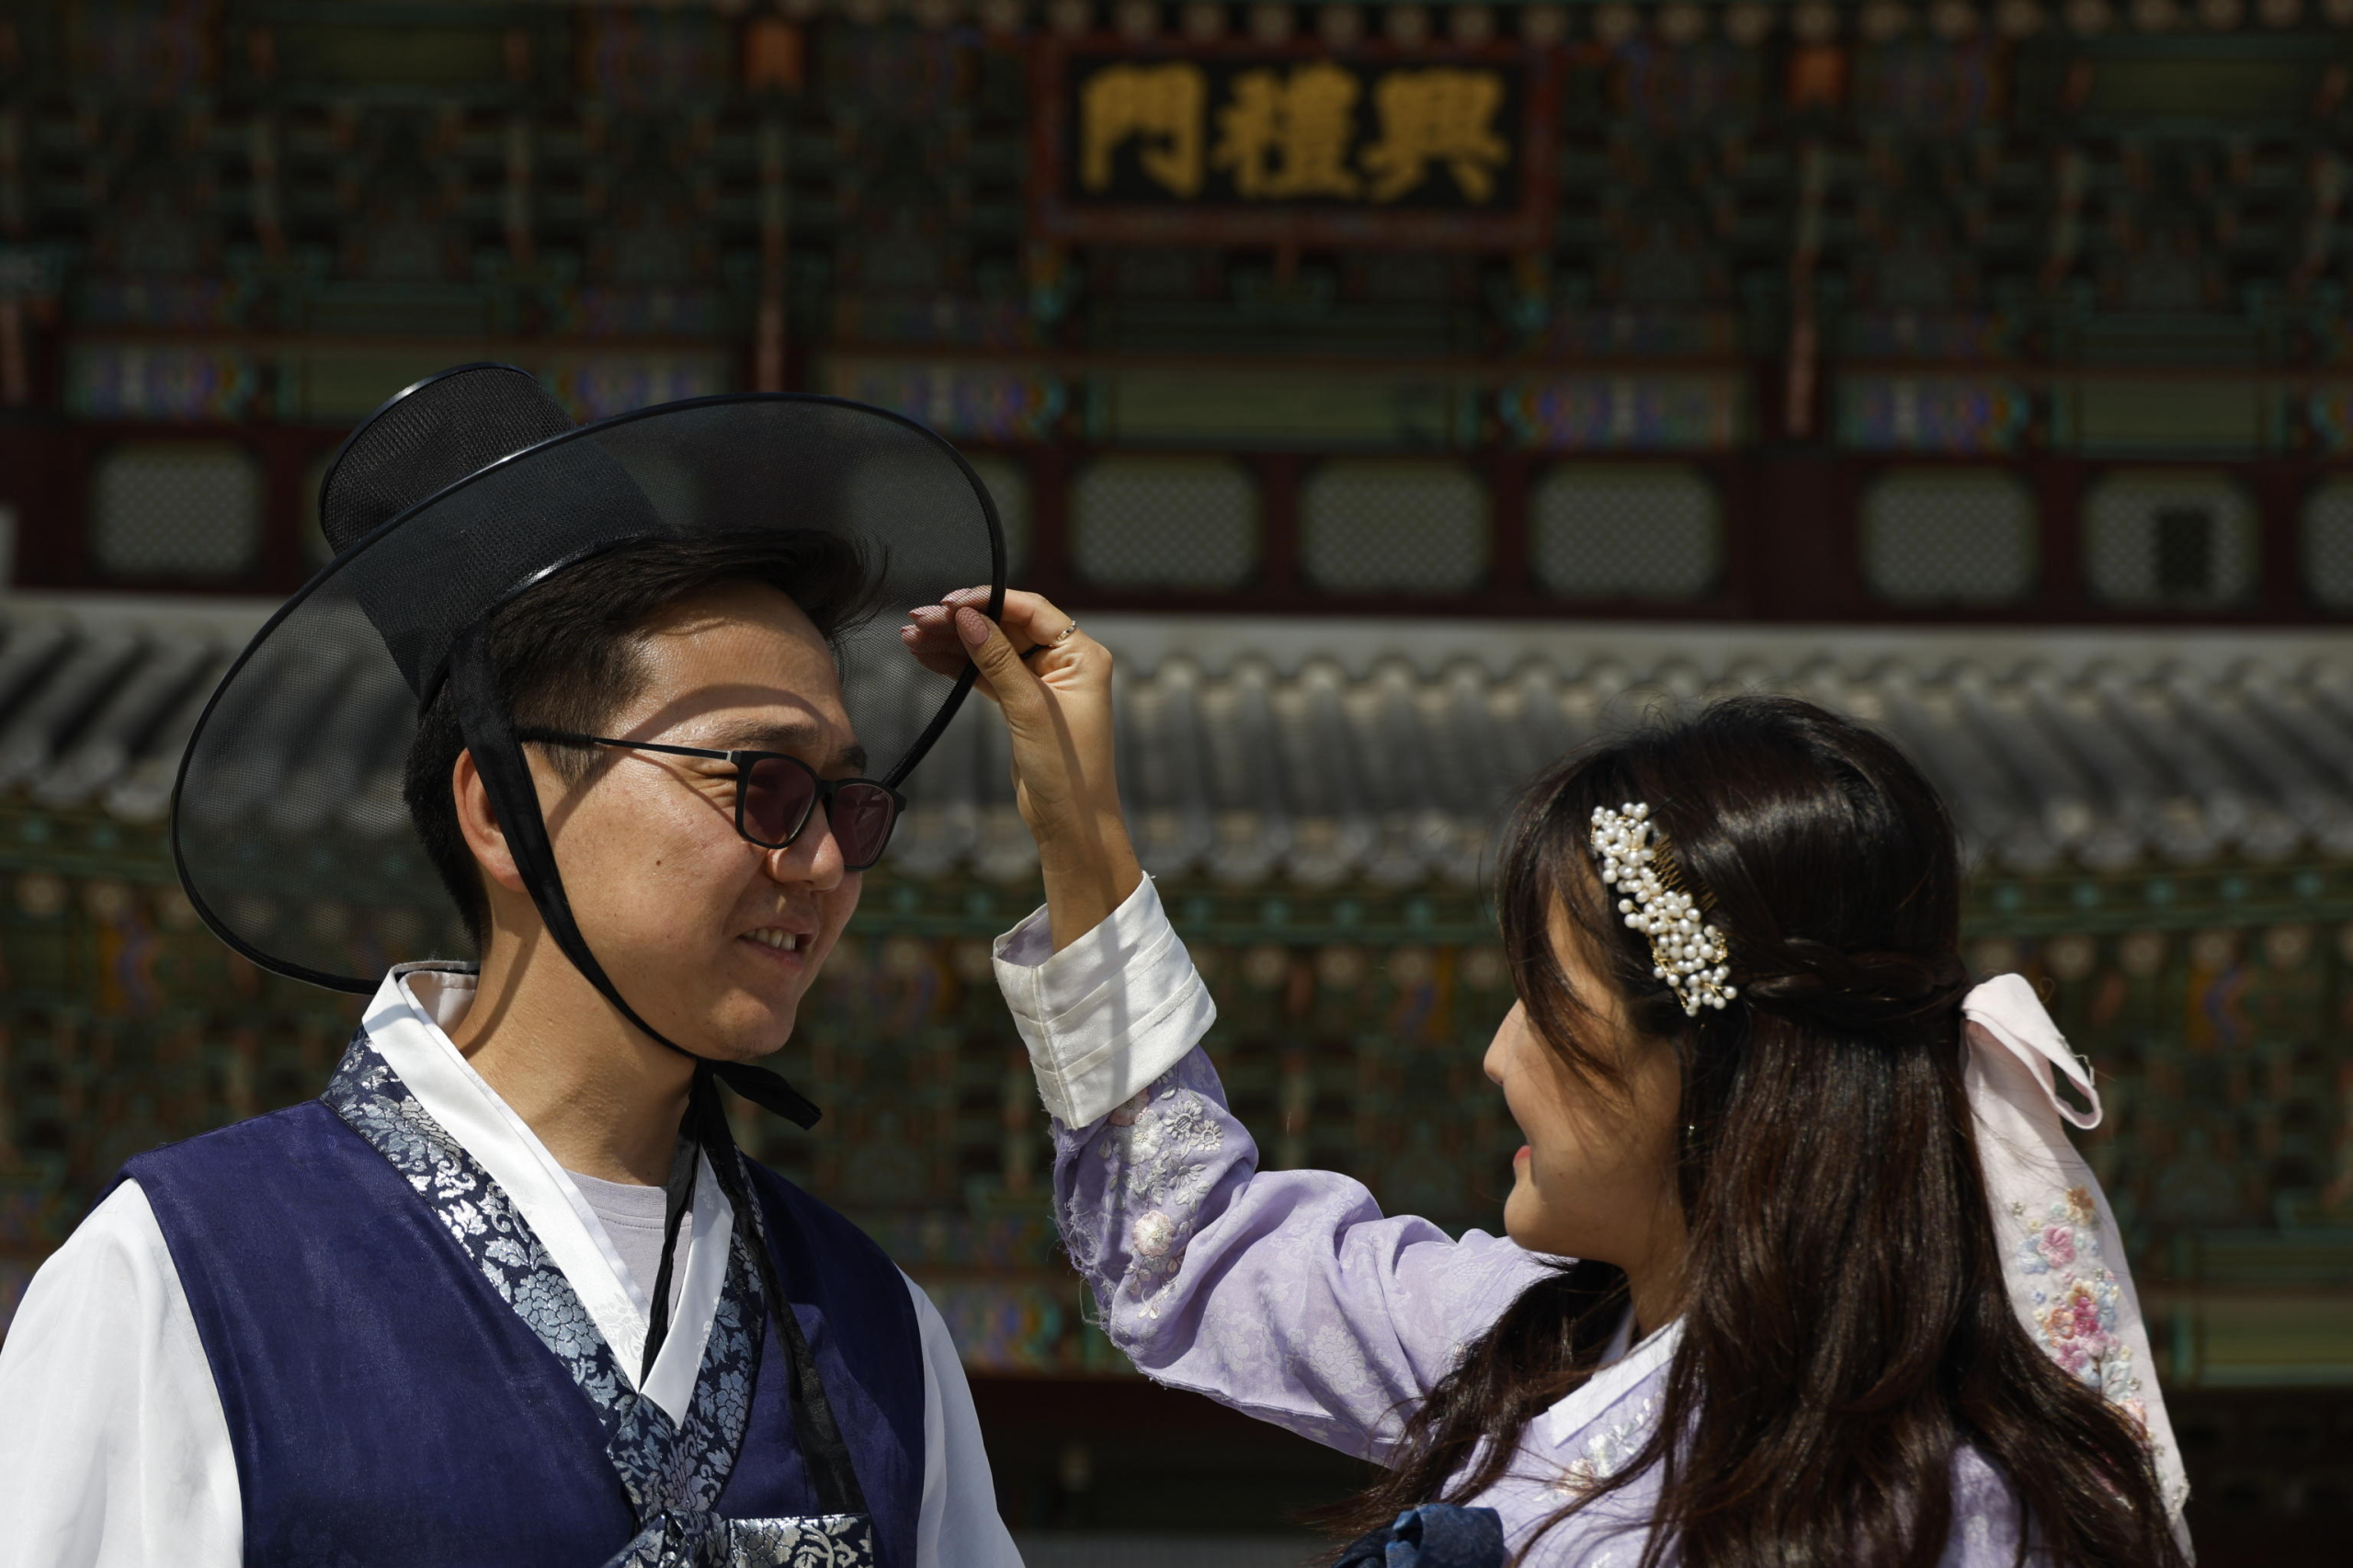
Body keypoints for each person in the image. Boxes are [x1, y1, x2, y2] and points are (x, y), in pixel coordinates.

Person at [909, 592, 2191, 1567]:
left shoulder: (1953, 1502)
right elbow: (1191, 1242)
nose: (1493, 1056)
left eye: (1547, 1005)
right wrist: (1079, 832)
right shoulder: (1534, 1349)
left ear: (1724, 1075)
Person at [0, 366, 1024, 1568]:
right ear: (503, 812)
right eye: (763, 783)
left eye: (849, 802)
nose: (822, 863)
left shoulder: (877, 1331)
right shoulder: (188, 1276)